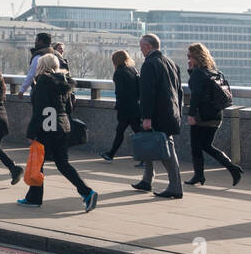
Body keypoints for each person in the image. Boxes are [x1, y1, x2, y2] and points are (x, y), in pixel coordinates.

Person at [18, 52, 98, 212]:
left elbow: (39, 110)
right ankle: (87, 192)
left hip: (47, 127)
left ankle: (34, 198)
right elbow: (69, 108)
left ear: (42, 66)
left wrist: (31, 133)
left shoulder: (42, 82)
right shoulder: (64, 82)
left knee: (38, 162)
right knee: (62, 163)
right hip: (62, 126)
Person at [133, 33, 184, 198]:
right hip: (171, 112)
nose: (141, 51)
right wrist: (178, 112)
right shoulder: (171, 63)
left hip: (157, 114)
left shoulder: (149, 64)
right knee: (150, 142)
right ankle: (147, 180)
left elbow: (147, 92)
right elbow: (179, 91)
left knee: (166, 149)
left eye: (142, 47)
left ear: (148, 47)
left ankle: (175, 186)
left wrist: (147, 117)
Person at [185, 43, 243, 186]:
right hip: (216, 115)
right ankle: (231, 168)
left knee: (196, 146)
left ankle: (199, 175)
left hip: (201, 116)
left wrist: (191, 115)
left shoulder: (198, 74)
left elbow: (196, 96)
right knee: (206, 145)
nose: (188, 59)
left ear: (196, 57)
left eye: (189, 56)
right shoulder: (214, 72)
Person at [101, 50, 141, 163]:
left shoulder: (119, 72)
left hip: (125, 108)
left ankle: (146, 157)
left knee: (126, 131)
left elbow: (120, 92)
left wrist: (118, 106)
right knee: (129, 130)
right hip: (135, 106)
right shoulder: (133, 69)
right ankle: (110, 154)